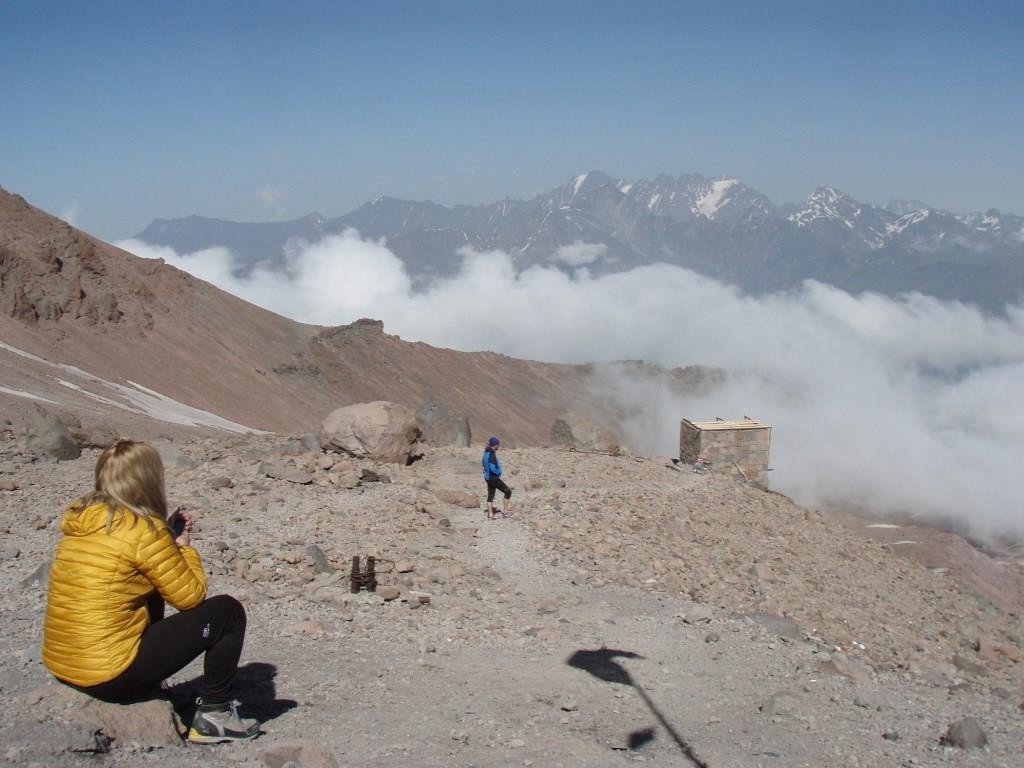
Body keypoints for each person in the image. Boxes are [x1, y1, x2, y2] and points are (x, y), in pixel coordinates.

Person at [42, 439, 259, 743]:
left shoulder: (83, 520)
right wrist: (182, 548)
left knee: (150, 585)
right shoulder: (142, 530)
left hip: (65, 664)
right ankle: (215, 714)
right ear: (147, 481)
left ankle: (151, 682)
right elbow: (191, 598)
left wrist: (165, 540)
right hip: (107, 674)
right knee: (227, 612)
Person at [482, 436, 512, 519]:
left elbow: (484, 465)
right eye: (498, 445)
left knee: (490, 495)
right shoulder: (491, 454)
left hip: (487, 477)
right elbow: (492, 467)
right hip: (493, 477)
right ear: (495, 445)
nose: (498, 446)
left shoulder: (486, 453)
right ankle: (505, 512)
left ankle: (490, 515)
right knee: (508, 491)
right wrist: (498, 472)